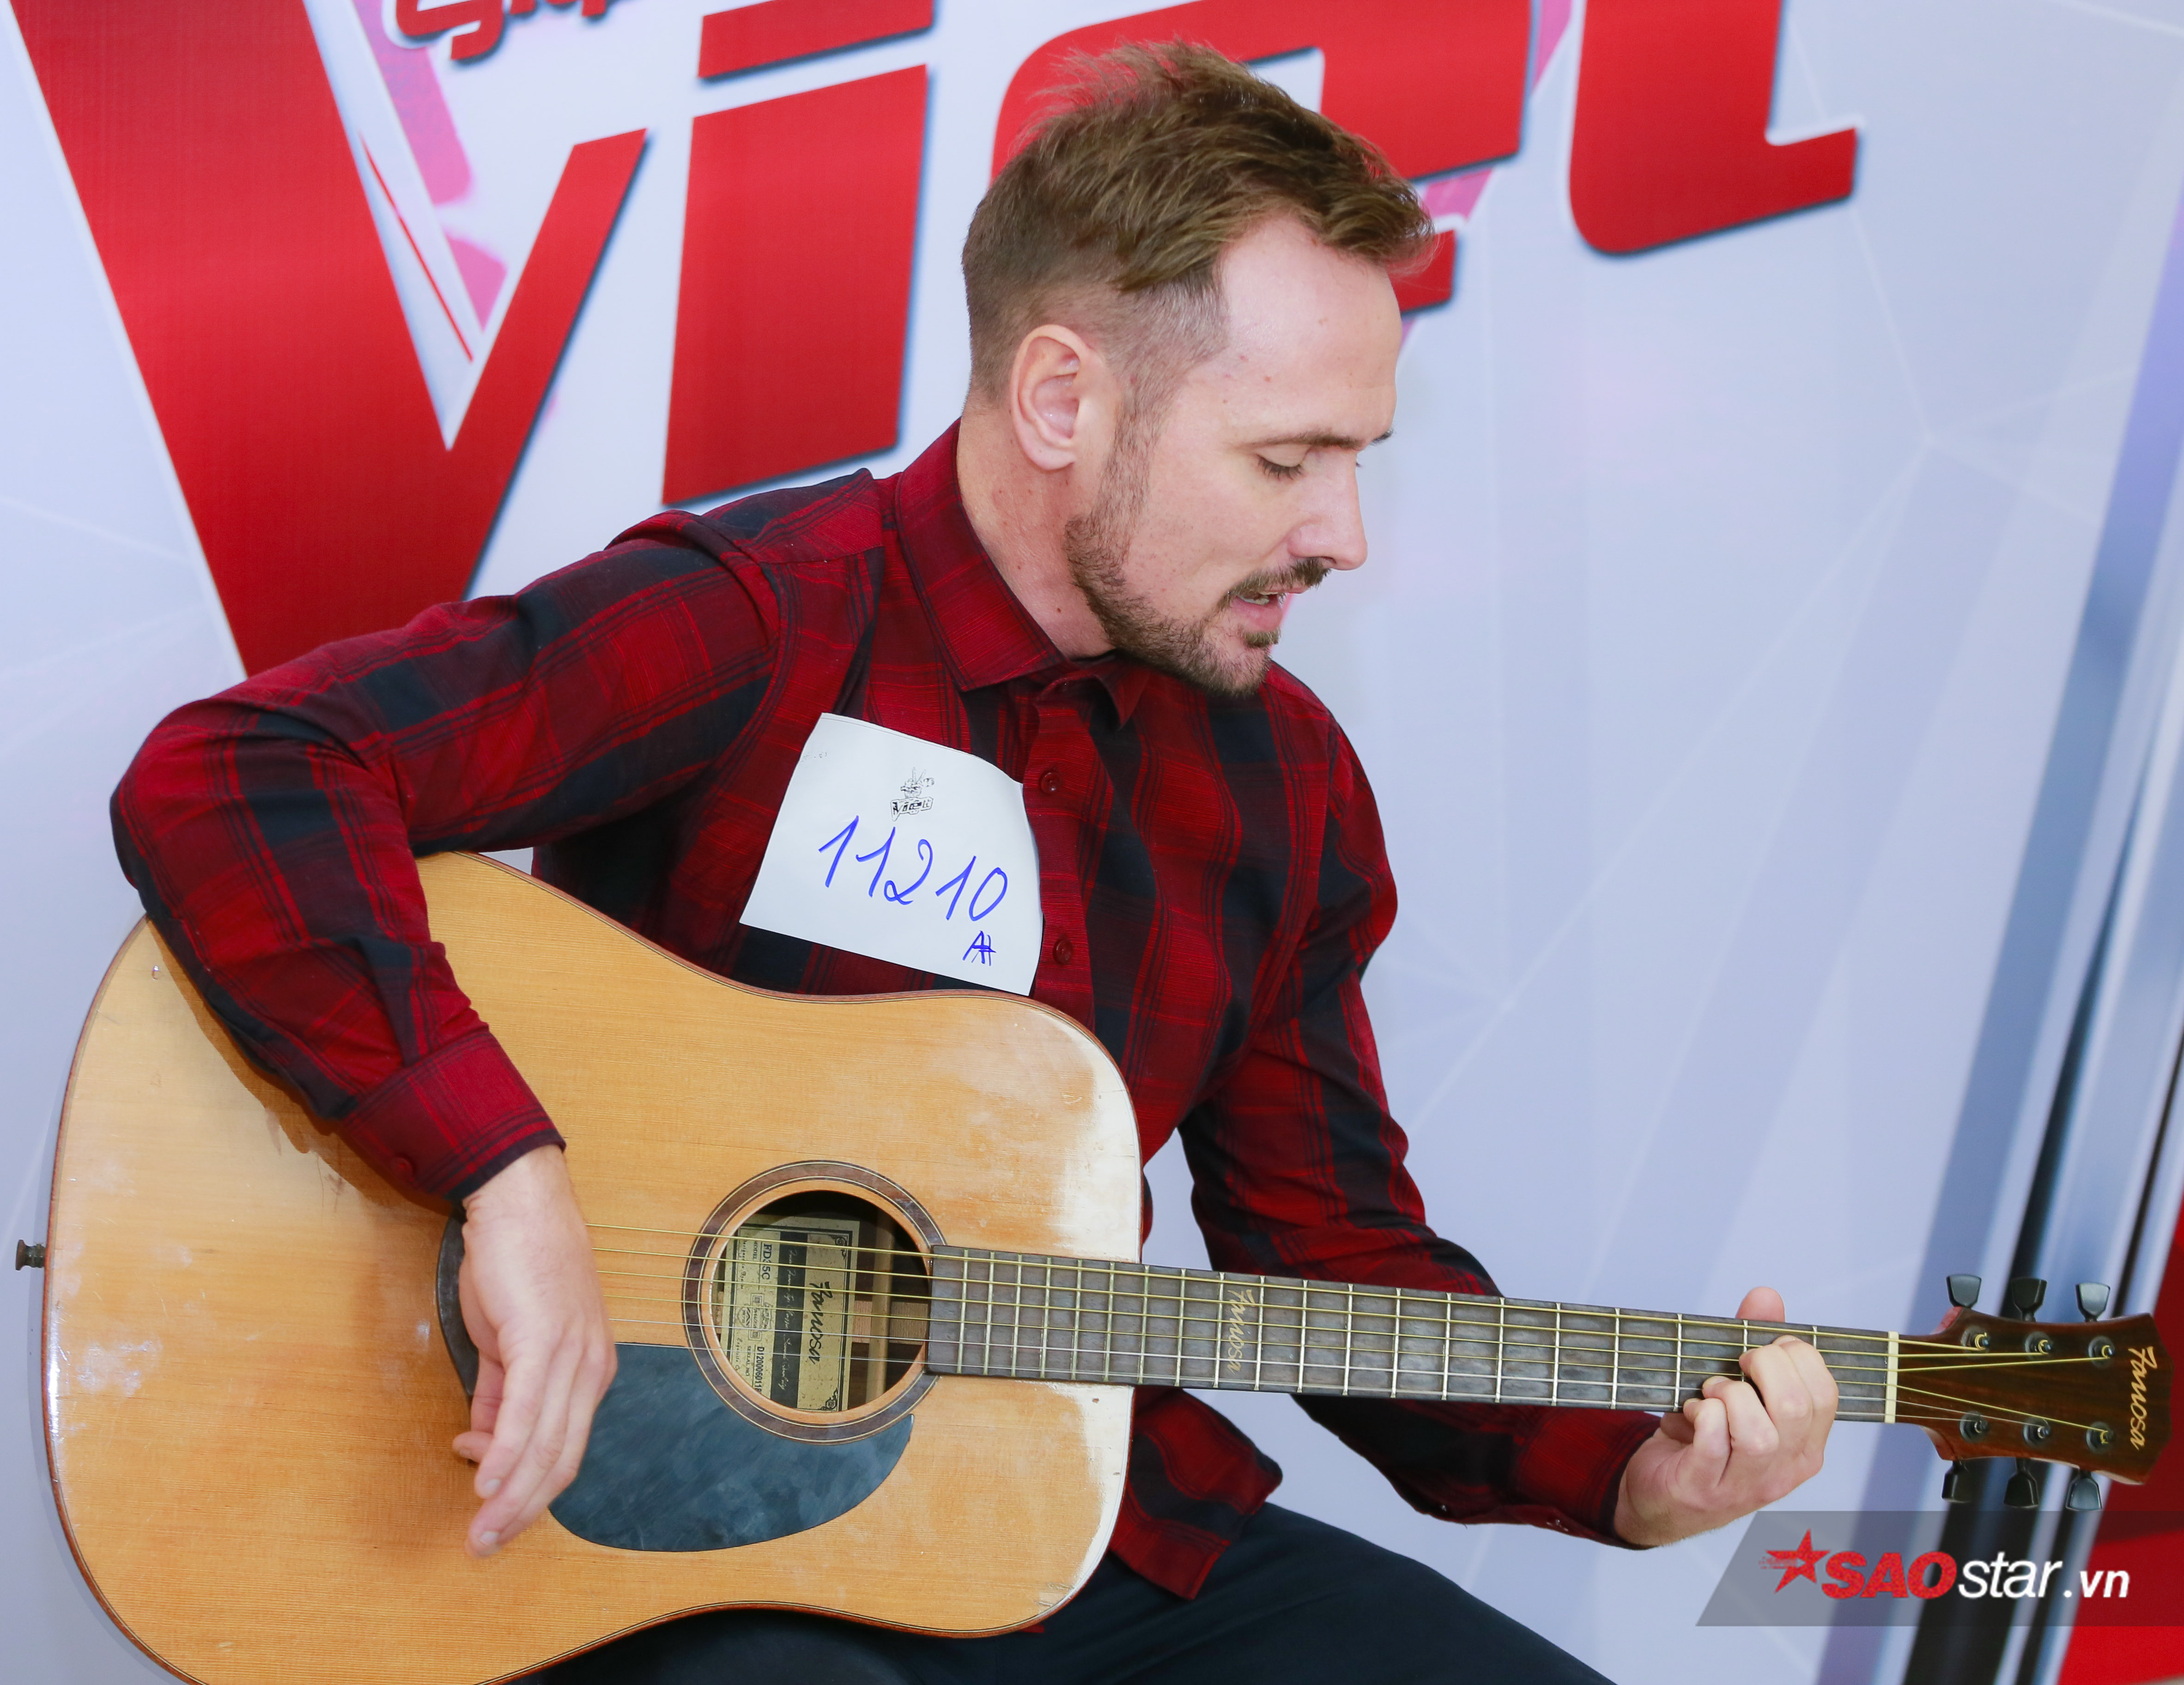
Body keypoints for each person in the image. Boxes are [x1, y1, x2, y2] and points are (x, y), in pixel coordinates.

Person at [111, 43, 1838, 1682]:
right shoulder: (767, 620)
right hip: (659, 1539)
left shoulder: (1287, 781)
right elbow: (243, 773)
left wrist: (1630, 1474)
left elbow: (1333, 1254)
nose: (1344, 536)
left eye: (1358, 459)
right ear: (1063, 396)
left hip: (1061, 1526)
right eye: (1285, 460)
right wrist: (507, 1172)